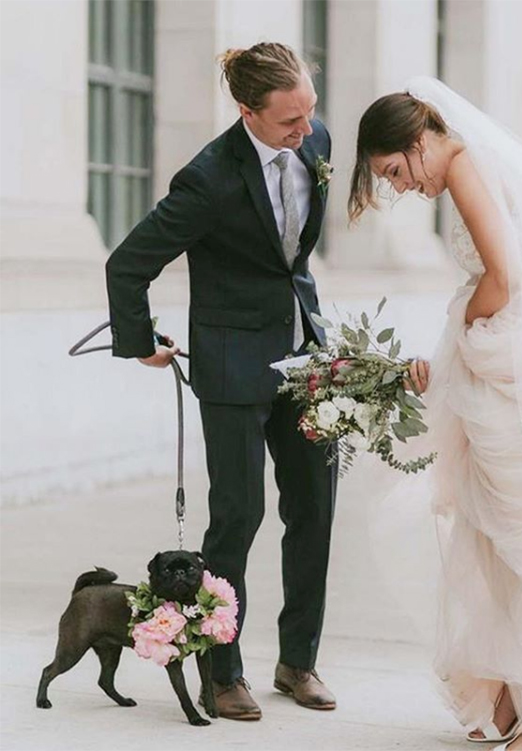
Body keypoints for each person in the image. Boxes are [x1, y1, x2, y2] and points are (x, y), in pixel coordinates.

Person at [348, 77, 522, 751]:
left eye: (396, 172)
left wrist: (464, 330)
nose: (400, 187)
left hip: (513, 374)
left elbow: (506, 276)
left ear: (419, 140)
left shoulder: (461, 167)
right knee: (515, 539)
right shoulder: (473, 164)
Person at [106, 42, 338, 721]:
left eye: (310, 115)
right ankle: (222, 669)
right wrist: (141, 341)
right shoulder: (206, 178)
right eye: (290, 122)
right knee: (238, 517)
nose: (306, 133)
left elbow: (291, 257)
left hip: (304, 357)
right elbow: (128, 264)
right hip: (233, 365)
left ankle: (299, 660)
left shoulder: (315, 137)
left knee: (315, 510)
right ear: (247, 112)